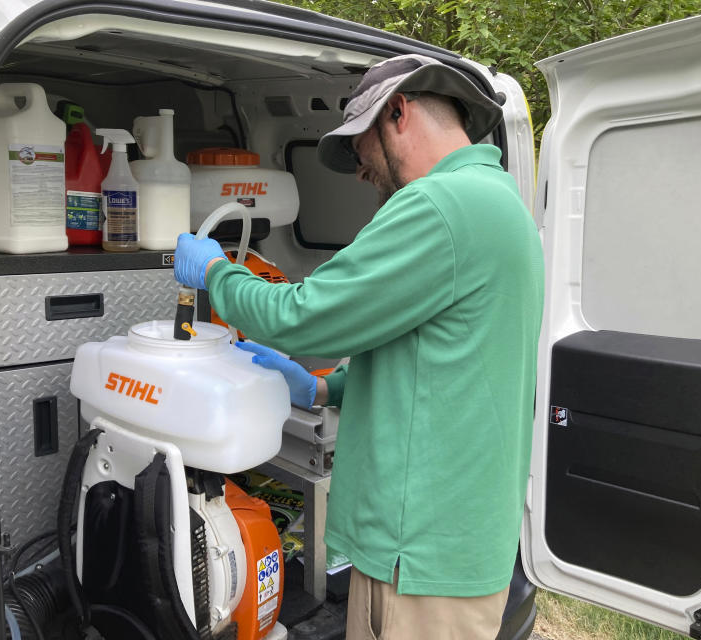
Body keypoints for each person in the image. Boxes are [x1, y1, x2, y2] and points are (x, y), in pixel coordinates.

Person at [174, 53, 544, 640]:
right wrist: (323, 387)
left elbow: (300, 317)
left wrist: (216, 272)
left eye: (360, 148)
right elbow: (443, 357)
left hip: (422, 560)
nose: (358, 170)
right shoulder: (499, 201)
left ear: (398, 111)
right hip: (454, 545)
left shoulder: (438, 206)